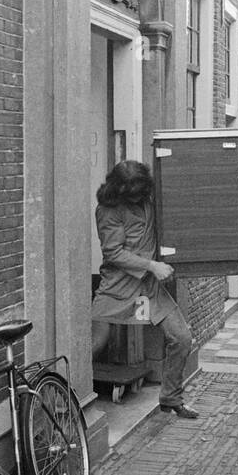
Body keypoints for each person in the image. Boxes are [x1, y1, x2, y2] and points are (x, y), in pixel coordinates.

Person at [90, 161, 198, 419]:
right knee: (95, 343)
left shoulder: (149, 198)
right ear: (119, 189)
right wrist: (152, 265)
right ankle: (64, 396)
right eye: (133, 195)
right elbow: (113, 253)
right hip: (117, 287)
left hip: (149, 286)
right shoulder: (107, 210)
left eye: (142, 193)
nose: (139, 199)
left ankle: (171, 398)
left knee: (182, 338)